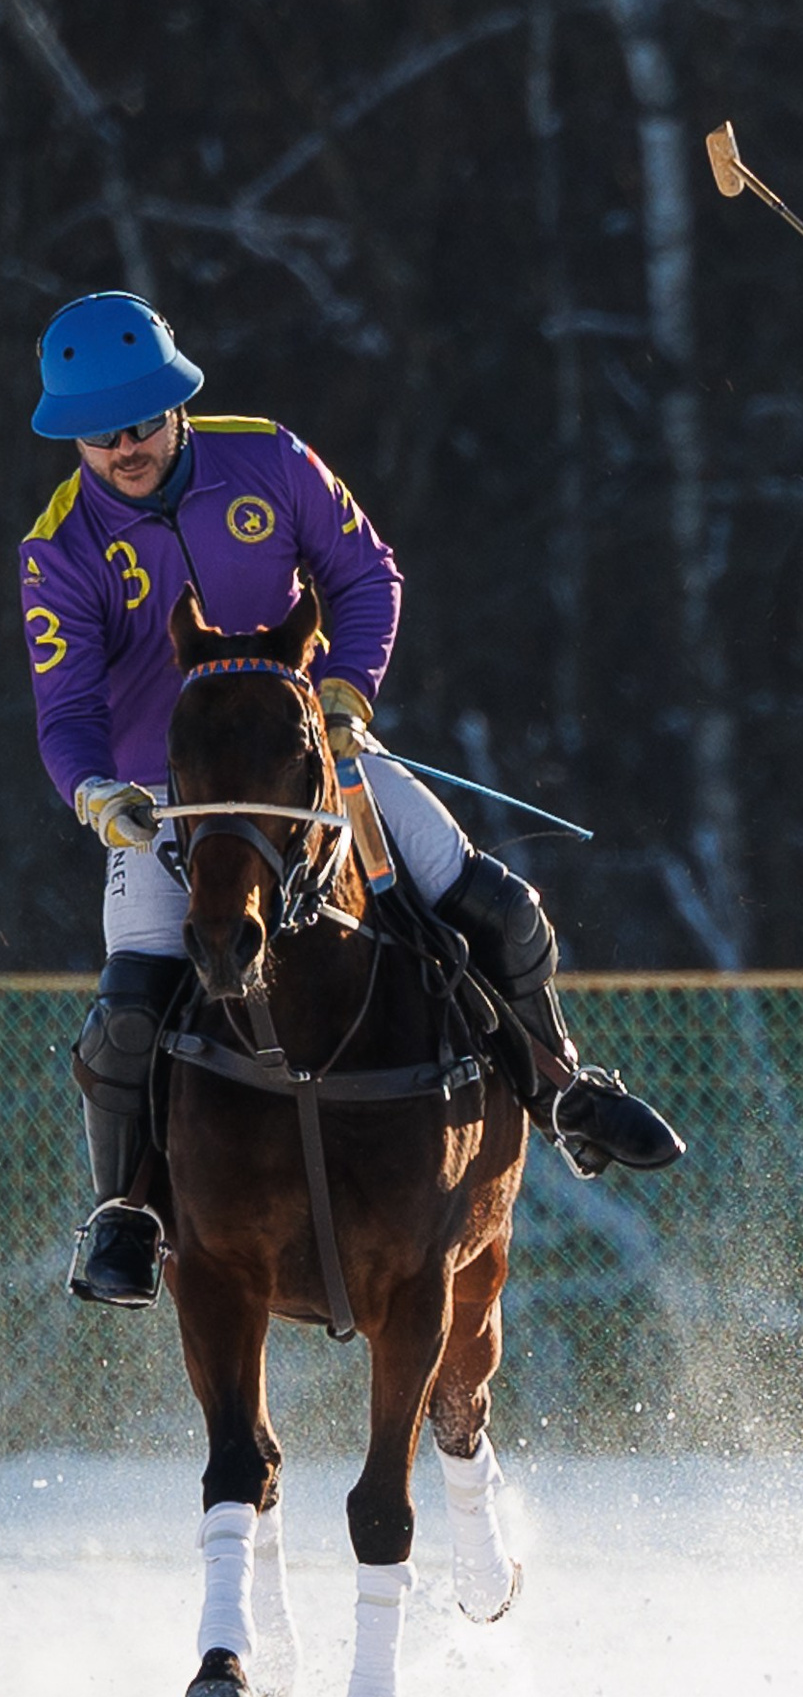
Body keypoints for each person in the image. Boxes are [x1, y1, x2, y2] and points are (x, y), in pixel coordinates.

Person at [20, 291, 684, 1309]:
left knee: (495, 905)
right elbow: (63, 707)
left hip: (310, 758)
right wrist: (97, 794)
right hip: (175, 797)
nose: (125, 448)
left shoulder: (273, 459)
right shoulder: (59, 546)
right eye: (99, 435)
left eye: (141, 423)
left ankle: (564, 1091)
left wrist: (345, 693)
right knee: (125, 1014)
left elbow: (366, 575)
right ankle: (125, 1212)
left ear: (177, 408)